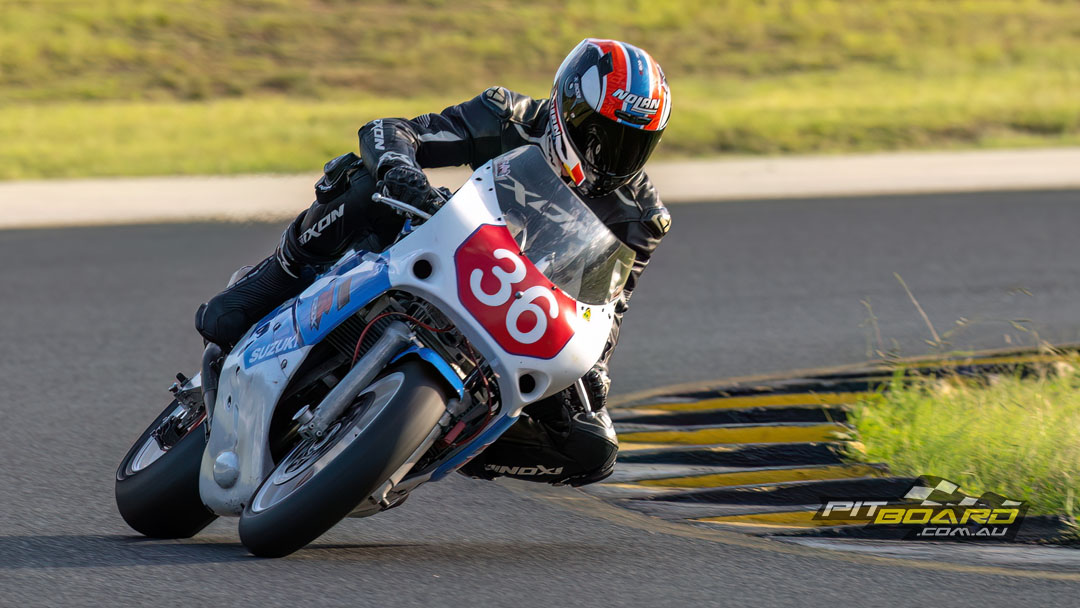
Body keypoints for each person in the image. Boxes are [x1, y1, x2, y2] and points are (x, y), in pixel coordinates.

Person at [195, 38, 672, 487]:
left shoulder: (642, 217)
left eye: (634, 143)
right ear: (567, 109)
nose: (611, 155)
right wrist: (399, 169)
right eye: (600, 134)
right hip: (445, 239)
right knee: (364, 182)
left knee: (592, 447)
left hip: (520, 307)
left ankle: (437, 442)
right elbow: (391, 130)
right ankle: (274, 277)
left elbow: (608, 309)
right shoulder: (511, 117)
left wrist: (595, 369)